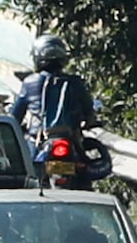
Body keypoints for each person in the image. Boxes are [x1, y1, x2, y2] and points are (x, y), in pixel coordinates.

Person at [9, 33, 102, 167]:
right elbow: (89, 110)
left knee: (26, 172)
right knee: (85, 172)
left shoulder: (30, 82)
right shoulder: (75, 83)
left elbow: (15, 116)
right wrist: (90, 121)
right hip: (70, 139)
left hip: (38, 140)